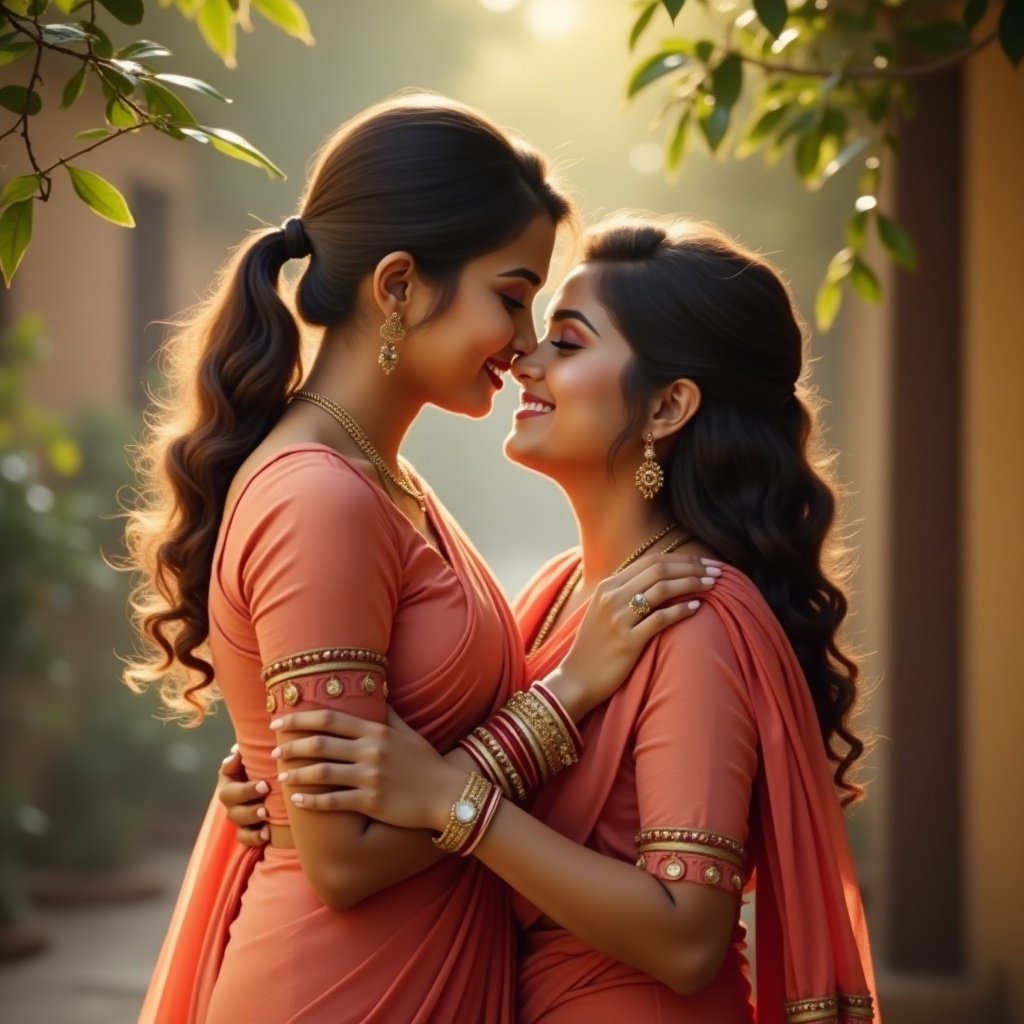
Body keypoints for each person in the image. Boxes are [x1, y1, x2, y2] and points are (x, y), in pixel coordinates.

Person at [124, 95, 717, 1024]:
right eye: (513, 298)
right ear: (398, 285)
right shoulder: (320, 495)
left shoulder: (383, 481)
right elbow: (345, 857)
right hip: (343, 990)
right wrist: (565, 697)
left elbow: (380, 772)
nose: (525, 348)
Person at [224, 214, 880, 1023]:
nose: (523, 358)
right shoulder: (557, 597)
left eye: (566, 343)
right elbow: (459, 745)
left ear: (669, 406)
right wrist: (288, 788)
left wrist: (452, 804)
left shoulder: (690, 616)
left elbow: (686, 940)